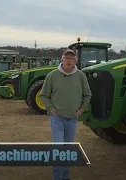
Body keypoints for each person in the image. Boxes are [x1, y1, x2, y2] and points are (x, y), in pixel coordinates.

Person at [39, 49, 92, 180]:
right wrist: (51, 109)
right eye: (67, 58)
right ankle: (57, 177)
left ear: (75, 61)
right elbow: (44, 95)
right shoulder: (52, 75)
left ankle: (65, 176)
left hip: (72, 120)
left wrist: (81, 109)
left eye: (72, 58)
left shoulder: (81, 76)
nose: (69, 60)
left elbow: (87, 94)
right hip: (57, 119)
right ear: (62, 59)